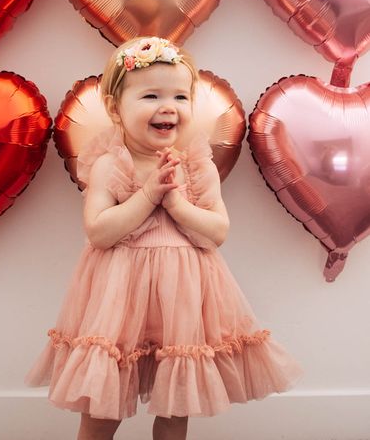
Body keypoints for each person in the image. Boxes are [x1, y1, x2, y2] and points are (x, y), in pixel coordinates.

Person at [26, 36, 301, 440]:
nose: (168, 106)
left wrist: (177, 205)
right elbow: (99, 232)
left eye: (181, 96)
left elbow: (217, 232)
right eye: (151, 95)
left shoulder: (196, 166)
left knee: (177, 404)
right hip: (119, 302)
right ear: (115, 107)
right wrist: (147, 195)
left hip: (184, 305)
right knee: (102, 407)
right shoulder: (110, 165)